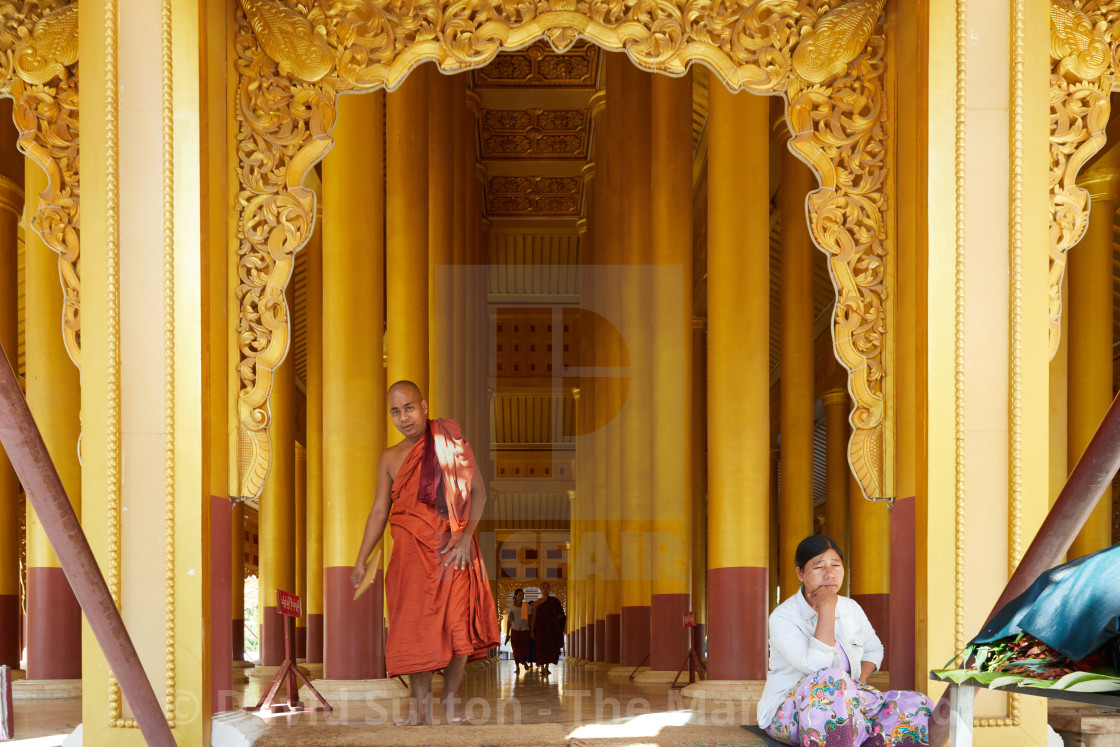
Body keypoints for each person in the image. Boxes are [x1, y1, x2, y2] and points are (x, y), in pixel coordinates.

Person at [351, 381, 500, 725]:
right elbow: (378, 511)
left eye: (409, 408)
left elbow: (479, 493)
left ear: (425, 406)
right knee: (413, 628)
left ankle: (450, 699)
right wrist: (361, 558)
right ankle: (420, 708)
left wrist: (465, 538)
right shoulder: (389, 458)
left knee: (455, 625)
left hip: (452, 549)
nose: (403, 417)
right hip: (409, 556)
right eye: (395, 411)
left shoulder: (451, 443)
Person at [759, 535, 933, 747]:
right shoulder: (784, 617)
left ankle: (859, 736)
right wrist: (827, 608)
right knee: (832, 680)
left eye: (836, 565)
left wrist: (858, 683)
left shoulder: (851, 608)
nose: (830, 574)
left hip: (851, 704)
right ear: (800, 573)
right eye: (819, 567)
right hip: (789, 713)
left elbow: (874, 650)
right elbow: (818, 667)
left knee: (918, 705)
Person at [531, 581, 565, 675]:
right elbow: (534, 617)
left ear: (550, 589)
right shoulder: (537, 603)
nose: (545, 589)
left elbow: (561, 615)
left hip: (551, 629)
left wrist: (553, 618)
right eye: (544, 588)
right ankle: (542, 667)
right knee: (541, 648)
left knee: (549, 649)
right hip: (541, 629)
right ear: (541, 590)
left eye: (547, 588)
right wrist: (532, 631)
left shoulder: (554, 602)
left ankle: (546, 667)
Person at [505, 588, 532, 675]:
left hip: (524, 629)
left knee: (525, 649)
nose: (522, 596)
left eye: (523, 595)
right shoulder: (512, 607)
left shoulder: (526, 606)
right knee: (516, 649)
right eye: (520, 595)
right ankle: (520, 665)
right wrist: (507, 633)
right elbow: (509, 621)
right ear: (515, 596)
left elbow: (529, 619)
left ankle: (523, 662)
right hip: (514, 629)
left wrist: (532, 631)